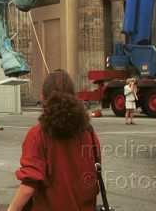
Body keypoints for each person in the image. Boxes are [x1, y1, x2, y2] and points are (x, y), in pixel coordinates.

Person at [8, 70, 100, 211]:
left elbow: (29, 185)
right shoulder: (90, 134)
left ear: (43, 98)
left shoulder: (38, 134)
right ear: (73, 97)